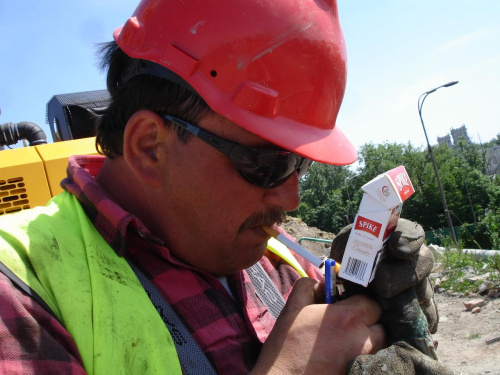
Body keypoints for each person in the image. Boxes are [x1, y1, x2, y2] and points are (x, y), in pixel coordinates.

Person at [0, 0, 454, 374]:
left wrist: (365, 299)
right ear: (149, 147)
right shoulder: (21, 289)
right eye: (265, 163)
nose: (291, 197)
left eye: (298, 163)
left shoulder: (279, 259)